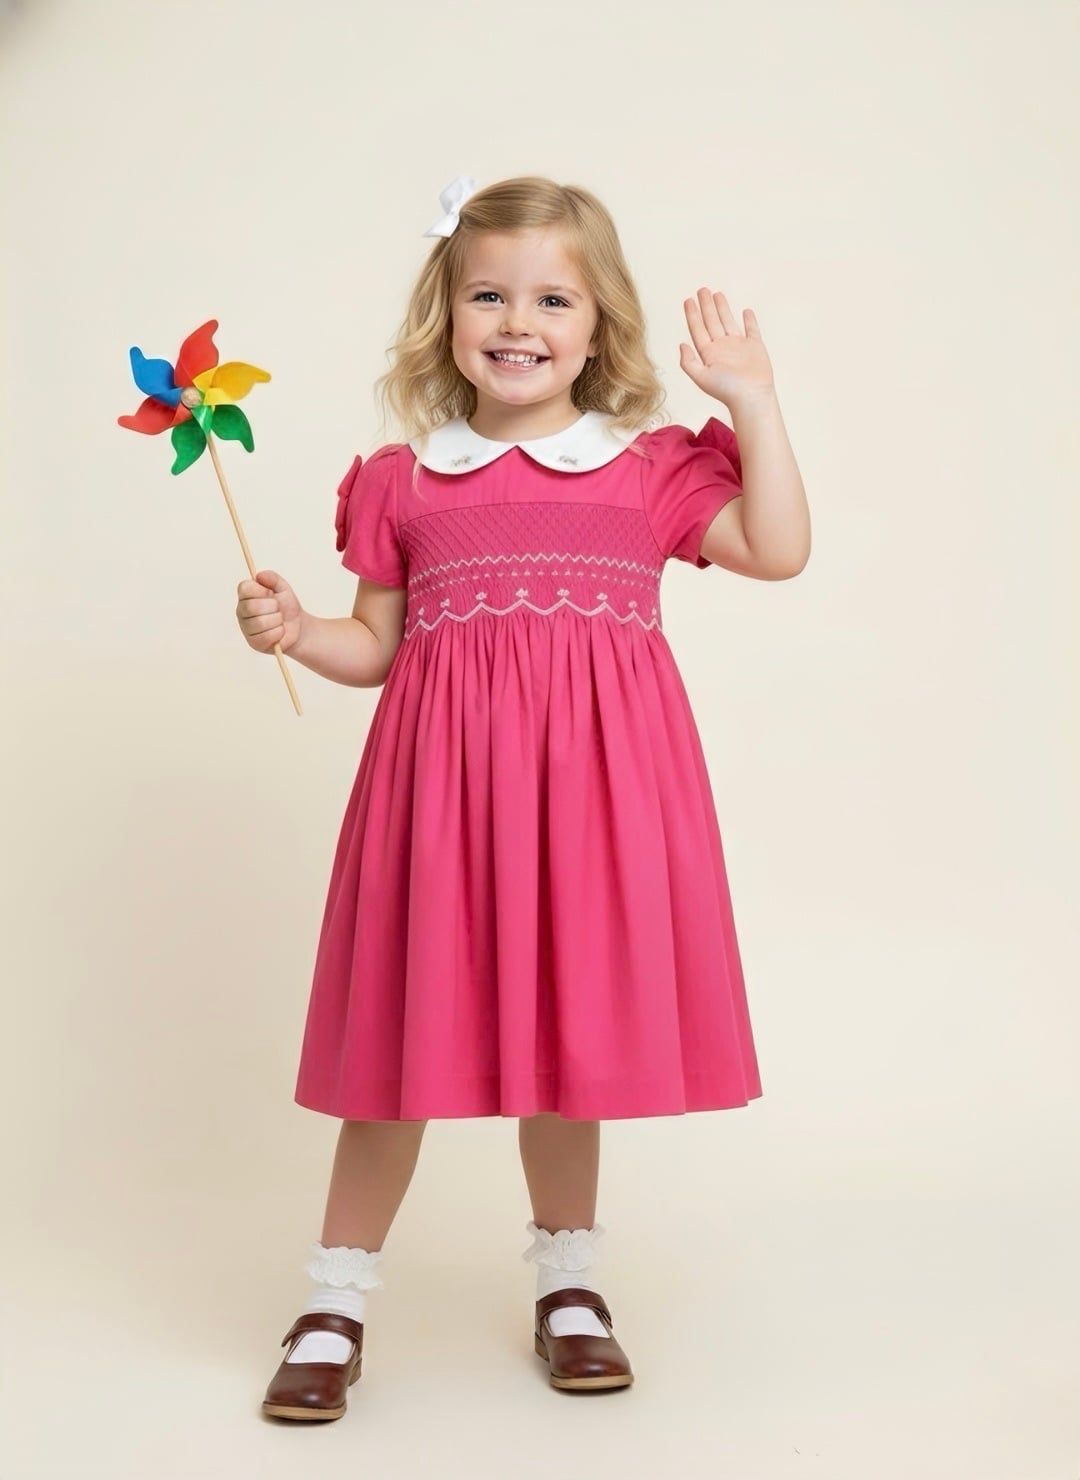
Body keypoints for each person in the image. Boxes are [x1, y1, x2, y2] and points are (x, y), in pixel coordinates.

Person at [237, 173, 810, 1420]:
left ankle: (570, 1284)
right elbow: (375, 646)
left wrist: (755, 405)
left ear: (600, 326)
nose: (518, 322)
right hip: (440, 808)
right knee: (398, 1047)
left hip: (595, 810)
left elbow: (777, 549)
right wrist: (297, 630)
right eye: (487, 295)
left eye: (553, 299)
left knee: (569, 1048)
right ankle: (334, 1301)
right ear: (444, 315)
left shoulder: (647, 470)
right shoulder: (404, 481)